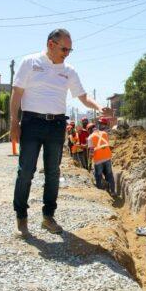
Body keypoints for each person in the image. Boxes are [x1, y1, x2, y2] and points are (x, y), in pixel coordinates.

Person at [10, 28, 111, 236]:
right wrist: (14, 121)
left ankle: (48, 216)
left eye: (70, 49)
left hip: (56, 126)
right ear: (51, 44)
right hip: (31, 122)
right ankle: (21, 217)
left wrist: (99, 107)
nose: (67, 53)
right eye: (64, 48)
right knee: (26, 171)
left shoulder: (69, 71)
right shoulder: (30, 63)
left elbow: (82, 97)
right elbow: (17, 92)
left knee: (53, 173)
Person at [87, 117, 116, 196]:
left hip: (98, 159)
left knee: (98, 176)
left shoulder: (90, 137)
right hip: (107, 157)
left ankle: (101, 194)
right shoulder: (104, 133)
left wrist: (89, 163)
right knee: (109, 174)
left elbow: (91, 152)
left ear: (89, 130)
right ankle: (112, 191)